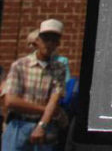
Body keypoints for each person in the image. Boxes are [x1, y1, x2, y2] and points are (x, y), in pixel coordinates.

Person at [2, 20, 65, 151]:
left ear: (58, 44)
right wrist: (48, 110)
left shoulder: (59, 69)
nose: (49, 44)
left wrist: (42, 125)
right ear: (37, 41)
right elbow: (11, 101)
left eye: (54, 41)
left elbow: (54, 99)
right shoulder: (20, 65)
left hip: (45, 126)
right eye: (46, 39)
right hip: (19, 126)